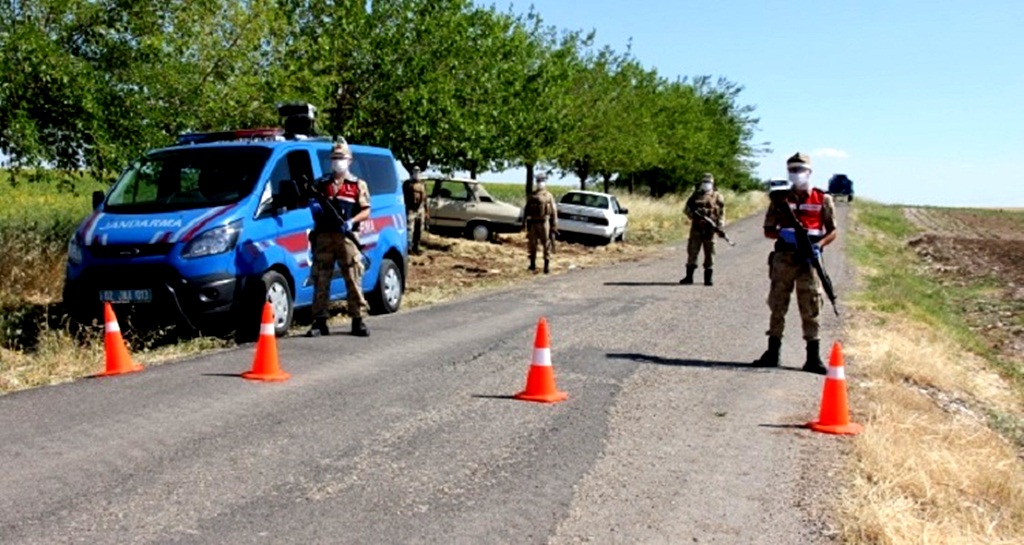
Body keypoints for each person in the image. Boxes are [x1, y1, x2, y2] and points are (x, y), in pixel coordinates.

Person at [752, 152, 837, 374]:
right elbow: (768, 230)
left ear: (810, 172)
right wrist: (784, 235)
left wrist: (819, 245)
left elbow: (832, 230)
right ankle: (772, 352)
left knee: (811, 305)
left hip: (809, 259)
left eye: (800, 170)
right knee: (777, 303)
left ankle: (813, 357)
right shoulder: (780, 199)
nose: (796, 174)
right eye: (792, 170)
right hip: (784, 258)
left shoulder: (822, 199)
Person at [306, 141, 371, 338]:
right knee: (321, 277)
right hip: (324, 236)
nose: (337, 162)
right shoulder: (321, 183)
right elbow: (309, 200)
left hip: (347, 237)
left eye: (341, 158)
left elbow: (366, 210)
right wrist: (313, 206)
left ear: (349, 160)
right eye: (334, 159)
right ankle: (320, 321)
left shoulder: (357, 184)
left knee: (352, 275)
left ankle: (358, 320)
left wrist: (352, 222)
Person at [681, 173, 725, 286]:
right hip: (696, 228)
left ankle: (708, 278)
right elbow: (686, 209)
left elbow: (721, 213)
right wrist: (695, 217)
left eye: (708, 182)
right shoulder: (695, 195)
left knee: (710, 253)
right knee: (692, 251)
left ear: (712, 183)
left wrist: (719, 226)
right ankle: (689, 277)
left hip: (710, 230)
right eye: (704, 182)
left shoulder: (717, 196)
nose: (706, 184)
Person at [524, 172, 557, 274]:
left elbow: (554, 211)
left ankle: (546, 266)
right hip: (533, 223)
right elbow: (526, 209)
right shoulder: (532, 195)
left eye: (542, 181)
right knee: (532, 244)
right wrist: (524, 222)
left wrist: (554, 225)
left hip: (544, 222)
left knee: (546, 243)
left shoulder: (548, 196)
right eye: (538, 181)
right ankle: (532, 264)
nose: (540, 183)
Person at [403, 166, 428, 254]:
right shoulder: (407, 184)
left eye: (418, 171)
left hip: (420, 210)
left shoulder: (423, 184)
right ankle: (408, 248)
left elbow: (425, 198)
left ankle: (416, 247)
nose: (417, 173)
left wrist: (426, 211)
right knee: (410, 229)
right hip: (411, 209)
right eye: (415, 171)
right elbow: (404, 197)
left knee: (419, 230)